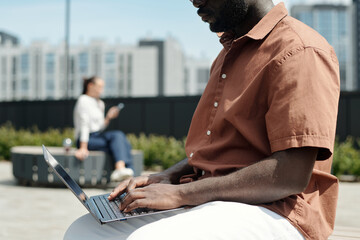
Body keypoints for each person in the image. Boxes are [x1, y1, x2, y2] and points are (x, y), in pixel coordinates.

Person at [65, 0, 340, 239]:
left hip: (277, 210)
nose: (194, 1)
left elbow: (290, 175)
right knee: (85, 231)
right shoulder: (226, 56)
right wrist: (168, 176)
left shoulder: (300, 50)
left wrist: (181, 195)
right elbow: (220, 151)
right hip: (214, 198)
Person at [73, 76, 134, 182]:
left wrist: (108, 117)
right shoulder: (83, 100)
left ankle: (127, 175)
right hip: (86, 139)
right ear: (90, 86)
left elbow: (100, 127)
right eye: (100, 86)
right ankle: (124, 171)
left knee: (123, 141)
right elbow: (84, 124)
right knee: (118, 136)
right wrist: (83, 147)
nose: (102, 90)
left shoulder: (100, 103)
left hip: (98, 136)